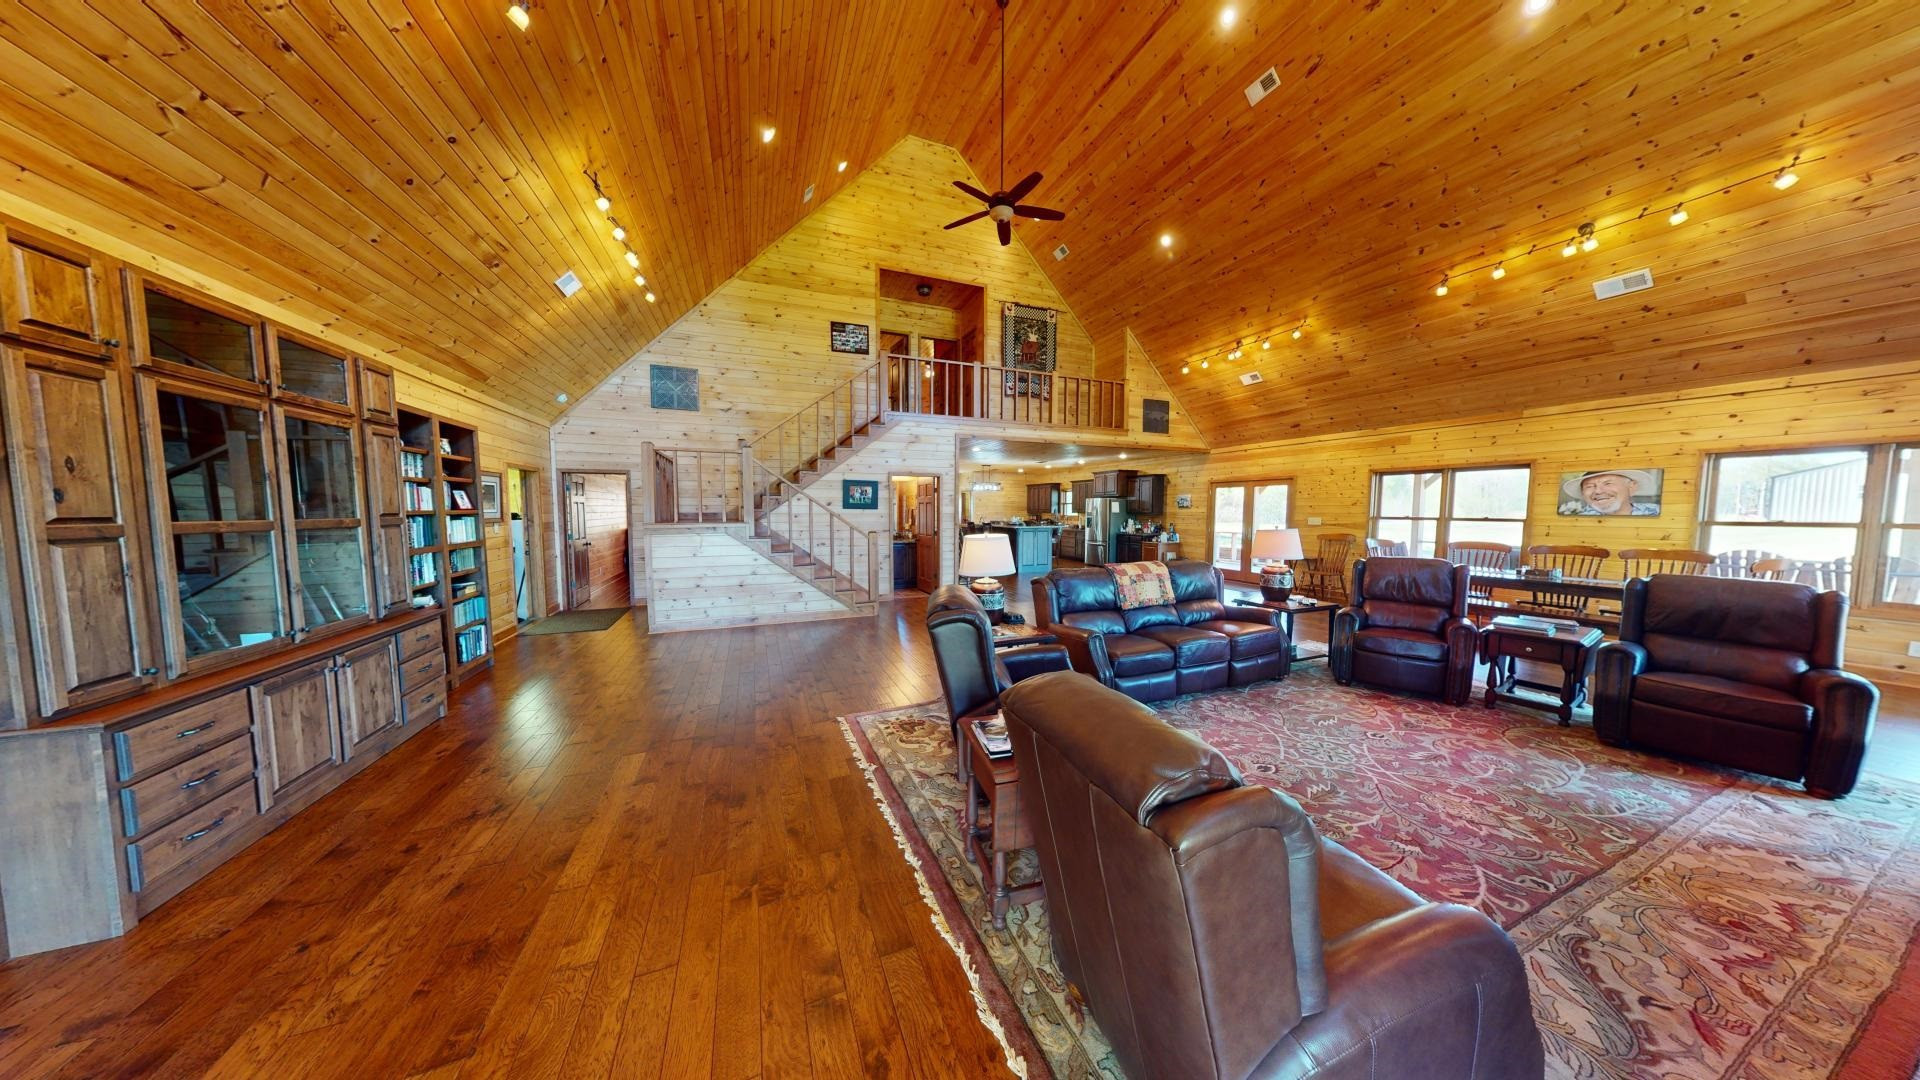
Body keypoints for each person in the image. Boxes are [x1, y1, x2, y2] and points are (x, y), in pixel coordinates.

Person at [1560, 469, 1659, 516]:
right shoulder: (1576, 518)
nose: (1598, 491)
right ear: (1582, 493)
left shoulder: (1655, 511)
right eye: (1589, 486)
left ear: (1631, 487)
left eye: (1608, 483)